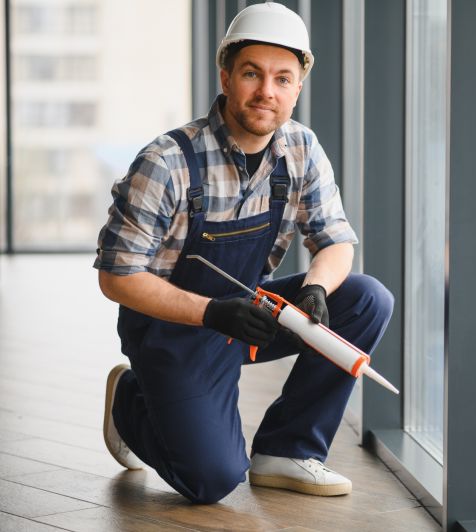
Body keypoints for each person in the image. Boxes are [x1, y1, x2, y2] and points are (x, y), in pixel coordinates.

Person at [94, 2, 393, 504]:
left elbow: (336, 240)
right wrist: (212, 313)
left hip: (246, 315)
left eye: (282, 78)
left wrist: (317, 287)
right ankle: (131, 403)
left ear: (298, 85)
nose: (266, 92)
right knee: (213, 480)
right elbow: (116, 278)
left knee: (364, 298)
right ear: (226, 76)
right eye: (252, 74)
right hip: (172, 330)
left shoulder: (299, 148)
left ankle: (288, 449)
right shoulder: (166, 163)